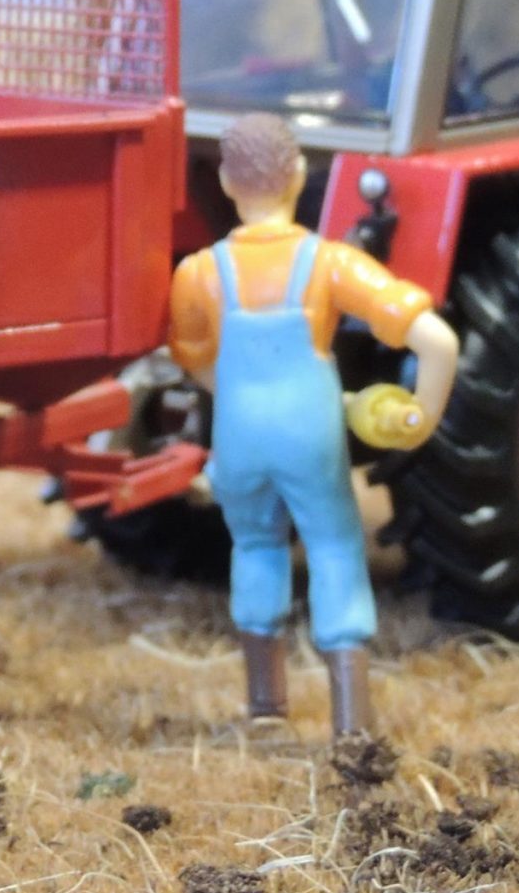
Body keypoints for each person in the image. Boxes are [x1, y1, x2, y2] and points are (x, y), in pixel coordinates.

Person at [167, 113, 459, 735]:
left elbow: (195, 359)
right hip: (310, 434)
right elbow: (438, 341)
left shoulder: (197, 273)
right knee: (334, 547)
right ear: (299, 174)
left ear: (226, 182)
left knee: (254, 546)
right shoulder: (330, 264)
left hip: (239, 436)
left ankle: (265, 709)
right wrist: (421, 417)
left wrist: (242, 395)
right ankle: (351, 724)